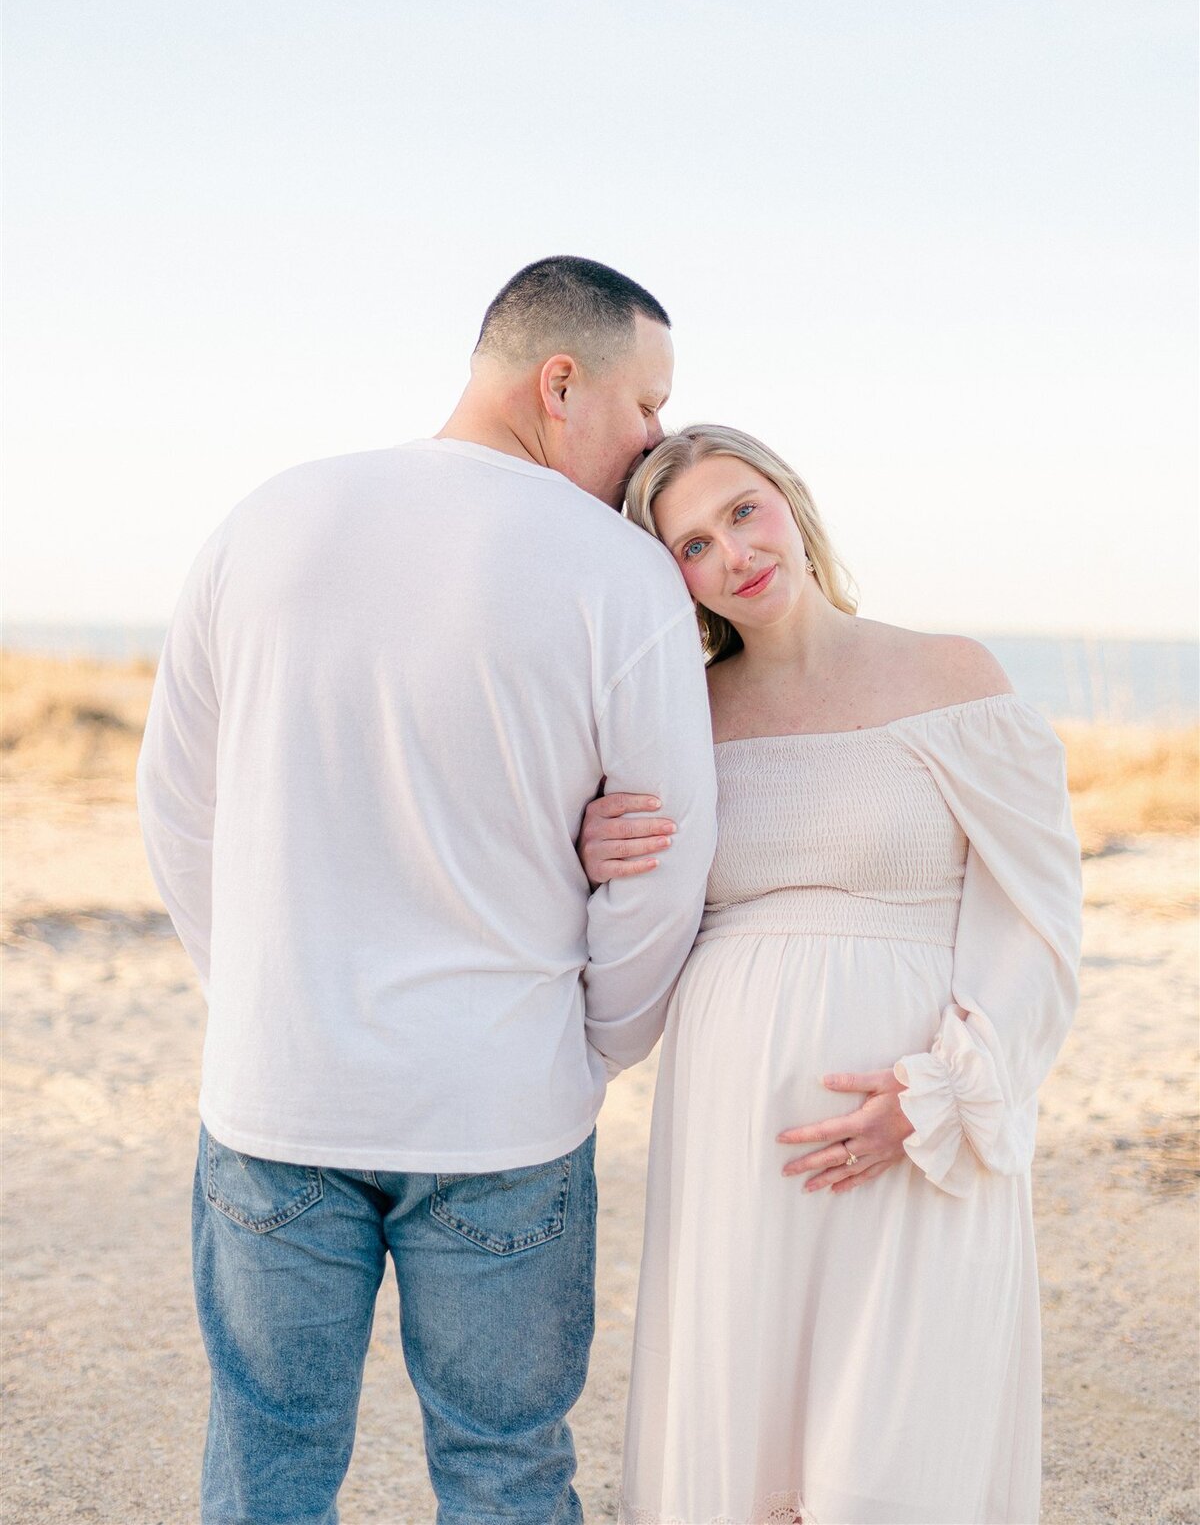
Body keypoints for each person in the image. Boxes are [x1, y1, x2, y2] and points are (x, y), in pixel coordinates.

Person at [137, 256, 718, 1525]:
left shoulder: (268, 517)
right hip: (502, 1106)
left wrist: (259, 997)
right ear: (560, 383)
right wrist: (594, 1043)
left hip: (277, 1091)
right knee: (504, 1464)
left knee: (266, 1460)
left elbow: (175, 802)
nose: (655, 438)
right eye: (646, 403)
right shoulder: (619, 577)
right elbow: (665, 857)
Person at [579, 424, 1082, 1525]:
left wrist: (944, 1090)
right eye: (692, 545)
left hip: (913, 1121)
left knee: (893, 1445)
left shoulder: (951, 673)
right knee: (745, 1442)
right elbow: (631, 911)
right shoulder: (680, 714)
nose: (733, 554)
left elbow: (1037, 916)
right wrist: (589, 850)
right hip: (735, 1132)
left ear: (791, 504)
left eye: (742, 512)